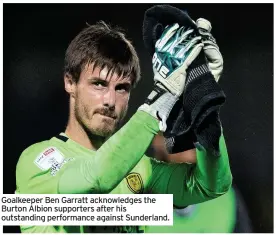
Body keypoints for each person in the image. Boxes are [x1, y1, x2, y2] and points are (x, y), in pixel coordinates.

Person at [15, 19, 232, 233]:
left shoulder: (142, 167)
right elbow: (96, 179)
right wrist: (162, 98)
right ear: (70, 82)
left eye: (121, 88)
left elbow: (211, 186)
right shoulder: (36, 162)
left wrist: (203, 105)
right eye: (98, 84)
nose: (110, 100)